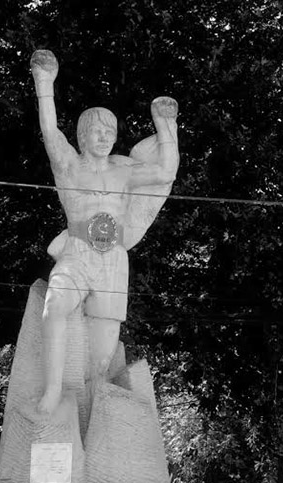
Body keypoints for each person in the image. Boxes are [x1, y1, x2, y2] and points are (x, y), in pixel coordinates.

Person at [29, 49, 180, 416]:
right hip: (77, 250)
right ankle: (51, 392)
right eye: (96, 130)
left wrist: (165, 124)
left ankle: (89, 410)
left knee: (102, 353)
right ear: (82, 135)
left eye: (110, 131)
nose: (104, 136)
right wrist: (44, 83)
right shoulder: (68, 166)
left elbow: (165, 172)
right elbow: (50, 131)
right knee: (54, 307)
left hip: (113, 260)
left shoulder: (123, 171)